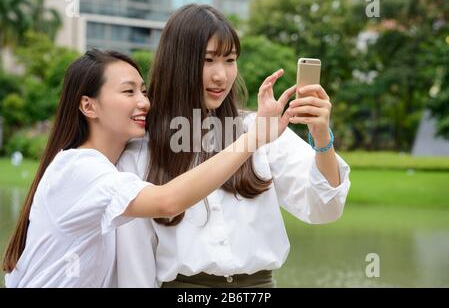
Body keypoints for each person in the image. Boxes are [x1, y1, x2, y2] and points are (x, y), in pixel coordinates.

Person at [2, 49, 292, 287]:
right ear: (89, 107)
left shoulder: (113, 167)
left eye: (143, 91)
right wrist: (252, 139)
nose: (144, 102)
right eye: (128, 92)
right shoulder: (78, 168)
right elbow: (167, 202)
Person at [116, 4, 351, 288]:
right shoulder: (142, 151)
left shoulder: (261, 129)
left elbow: (325, 207)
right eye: (208, 60)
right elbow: (134, 267)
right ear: (177, 63)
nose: (221, 76)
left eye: (229, 60)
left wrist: (322, 136)